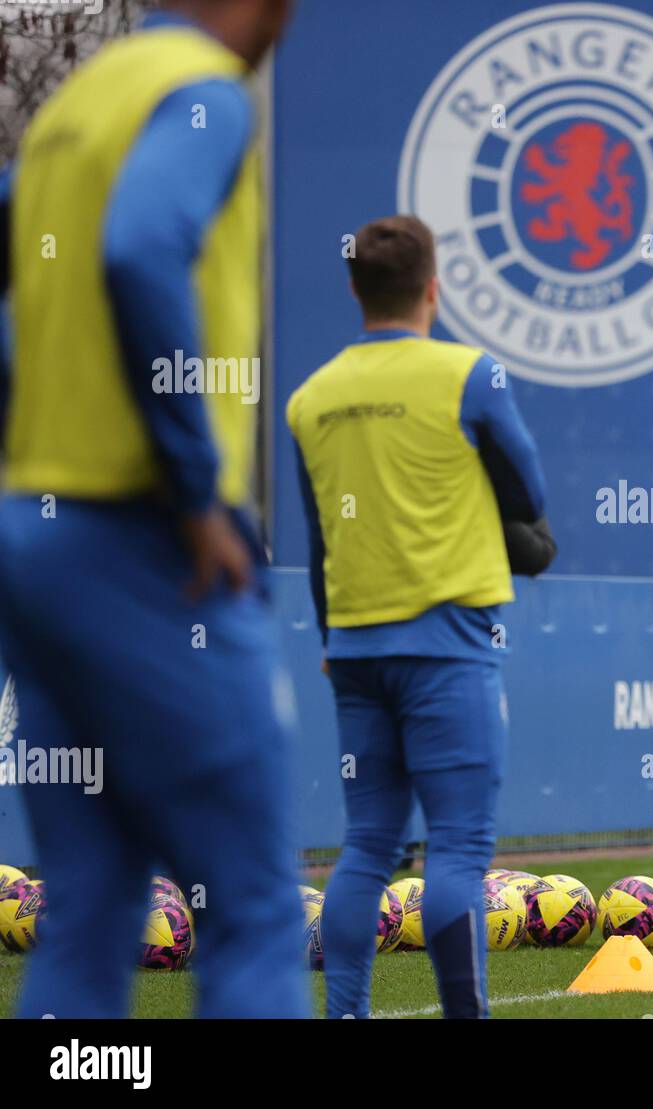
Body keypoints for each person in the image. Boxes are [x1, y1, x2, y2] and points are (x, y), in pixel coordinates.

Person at [0, 0, 307, 1017]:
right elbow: (141, 247)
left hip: (38, 539)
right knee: (253, 906)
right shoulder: (205, 95)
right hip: (148, 541)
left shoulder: (71, 110)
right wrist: (190, 486)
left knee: (88, 907)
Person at [287, 215, 545, 1018]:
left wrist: (331, 636)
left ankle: (346, 1014)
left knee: (365, 844)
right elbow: (529, 498)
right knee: (459, 850)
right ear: (434, 288)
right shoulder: (470, 374)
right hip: (449, 642)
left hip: (355, 648)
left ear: (354, 287)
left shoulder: (310, 397)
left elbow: (321, 534)